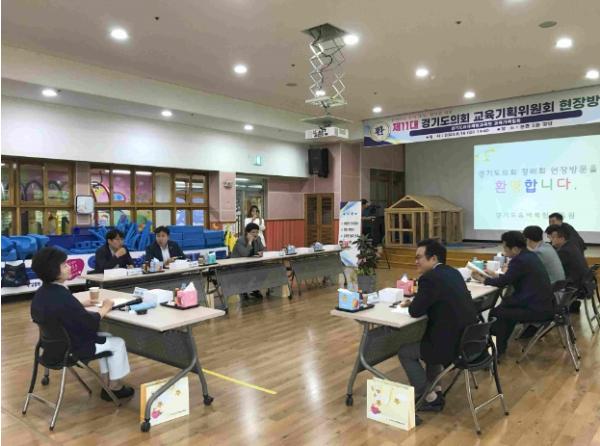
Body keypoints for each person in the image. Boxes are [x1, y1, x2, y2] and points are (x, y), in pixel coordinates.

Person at [30, 247, 134, 400]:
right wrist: (105, 308)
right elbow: (90, 323)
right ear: (53, 270)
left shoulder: (42, 293)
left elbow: (59, 310)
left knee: (107, 336)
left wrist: (79, 305)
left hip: (52, 348)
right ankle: (115, 387)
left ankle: (106, 381)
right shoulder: (63, 296)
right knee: (117, 343)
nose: (69, 267)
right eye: (64, 265)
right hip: (73, 349)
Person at [398, 239, 478, 412]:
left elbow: (415, 311)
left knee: (405, 352)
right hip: (471, 341)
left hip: (452, 345)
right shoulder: (453, 272)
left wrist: (414, 302)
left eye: (419, 257)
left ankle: (427, 397)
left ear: (433, 258)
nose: (416, 261)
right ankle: (436, 389)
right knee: (429, 338)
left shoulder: (429, 278)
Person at [472, 231, 554, 357]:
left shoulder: (519, 260)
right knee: (504, 307)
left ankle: (496, 350)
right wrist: (494, 275)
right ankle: (499, 347)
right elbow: (511, 277)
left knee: (497, 313)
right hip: (543, 304)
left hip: (536, 309)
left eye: (505, 247)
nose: (504, 250)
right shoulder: (529, 256)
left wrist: (483, 280)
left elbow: (504, 282)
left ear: (515, 249)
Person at [546, 224, 589, 312]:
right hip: (581, 283)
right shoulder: (571, 246)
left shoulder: (564, 251)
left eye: (553, 237)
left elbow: (553, 269)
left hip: (574, 286)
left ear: (562, 238)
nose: (551, 240)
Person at [231, 222, 265, 299]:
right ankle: (243, 290)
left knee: (264, 270)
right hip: (238, 265)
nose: (255, 234)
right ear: (247, 233)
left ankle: (254, 289)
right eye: (253, 232)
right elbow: (245, 254)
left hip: (250, 263)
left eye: (257, 232)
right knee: (249, 272)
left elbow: (262, 249)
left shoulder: (258, 239)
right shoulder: (240, 241)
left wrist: (261, 252)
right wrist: (250, 242)